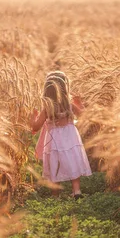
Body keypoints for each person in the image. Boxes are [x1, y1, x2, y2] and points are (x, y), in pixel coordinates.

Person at [31, 72, 92, 200]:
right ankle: (77, 191)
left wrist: (32, 116)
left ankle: (55, 195)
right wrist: (79, 103)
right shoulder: (70, 105)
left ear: (46, 92)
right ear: (65, 89)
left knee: (55, 163)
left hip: (55, 141)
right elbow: (84, 116)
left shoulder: (47, 108)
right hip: (70, 137)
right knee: (72, 160)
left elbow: (36, 126)